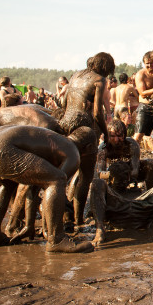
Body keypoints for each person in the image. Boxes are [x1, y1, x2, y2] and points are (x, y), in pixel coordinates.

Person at [0, 125, 92, 252]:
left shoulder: (57, 141)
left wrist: (29, 225)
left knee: (8, 184)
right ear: (89, 148)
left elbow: (33, 187)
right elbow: (53, 185)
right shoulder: (73, 152)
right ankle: (57, 240)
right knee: (57, 180)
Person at [88, 120, 153, 245]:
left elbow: (135, 169)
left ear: (125, 135)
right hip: (115, 195)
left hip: (136, 194)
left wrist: (125, 172)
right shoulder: (103, 149)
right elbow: (100, 173)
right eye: (112, 136)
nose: (116, 139)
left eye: (119, 136)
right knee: (97, 183)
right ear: (108, 136)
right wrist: (115, 174)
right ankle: (99, 230)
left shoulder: (131, 144)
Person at [61, 52, 114, 227]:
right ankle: (78, 218)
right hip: (84, 128)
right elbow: (98, 112)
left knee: (64, 171)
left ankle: (65, 214)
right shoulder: (99, 80)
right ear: (106, 68)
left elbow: (64, 103)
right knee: (85, 174)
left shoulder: (76, 75)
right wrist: (105, 133)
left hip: (65, 124)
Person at [133, 51, 153, 150]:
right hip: (145, 107)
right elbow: (142, 93)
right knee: (138, 134)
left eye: (152, 63)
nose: (150, 65)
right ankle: (132, 156)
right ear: (144, 63)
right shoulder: (140, 74)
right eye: (147, 63)